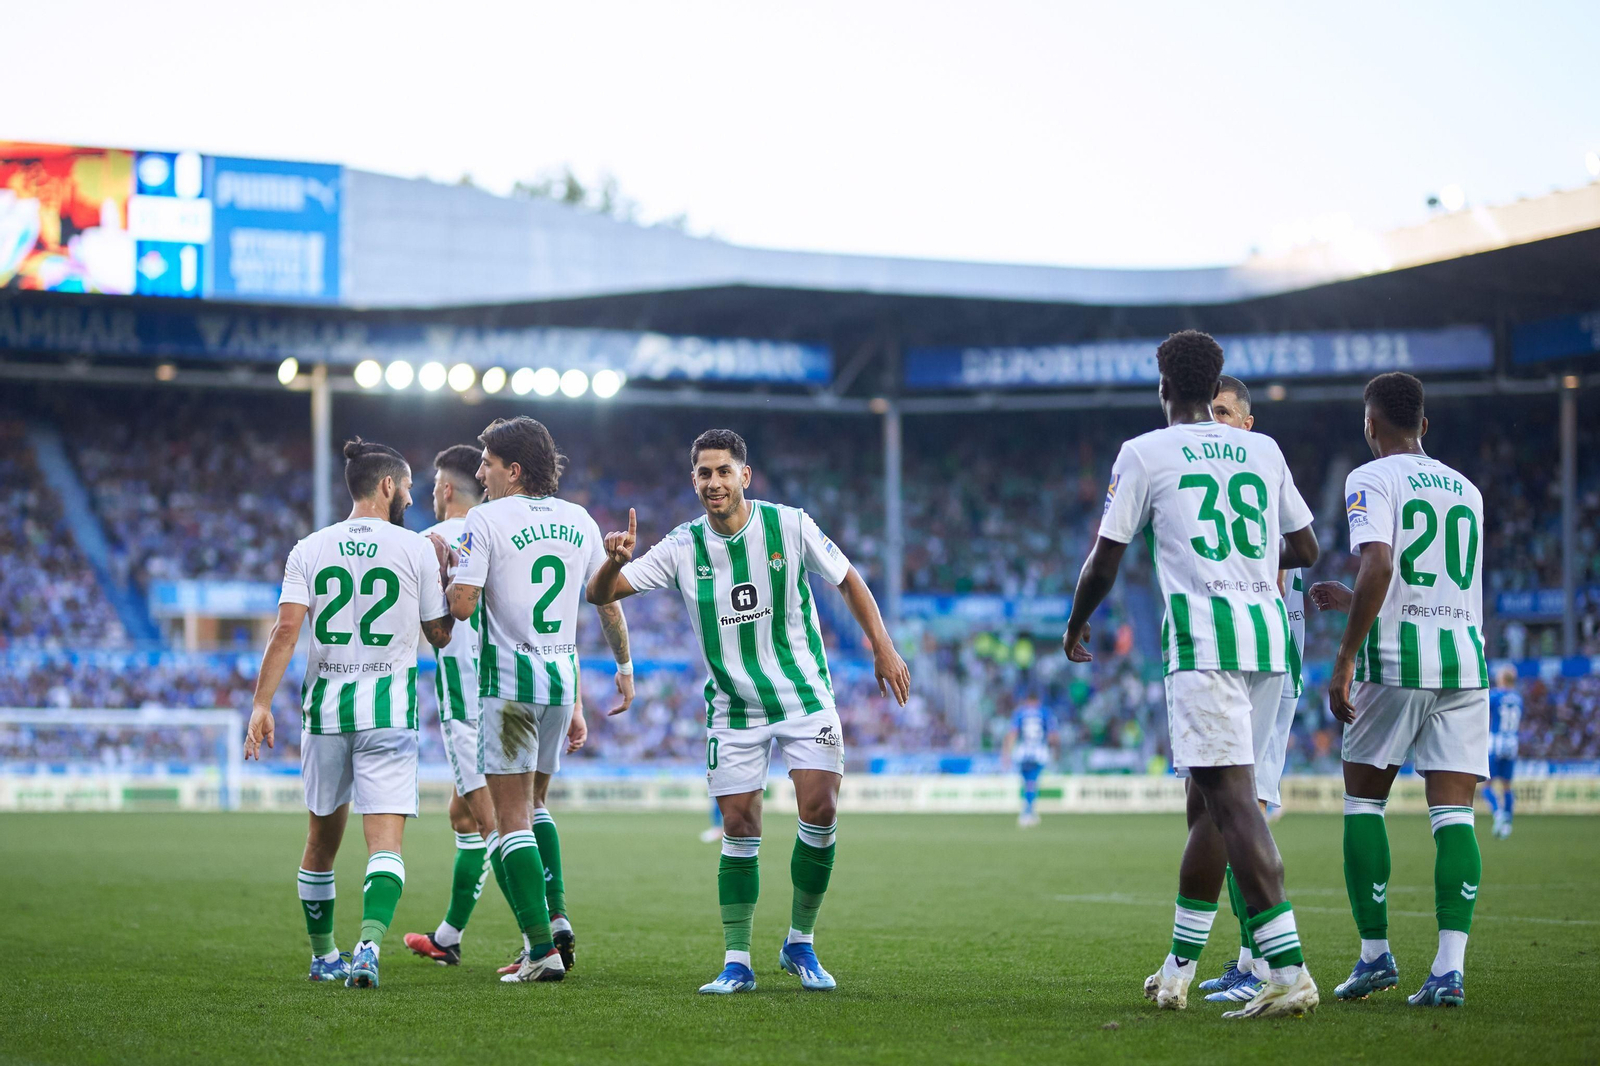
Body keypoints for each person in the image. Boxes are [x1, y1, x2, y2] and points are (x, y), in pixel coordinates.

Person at [587, 428, 910, 995]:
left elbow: (849, 579)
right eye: (704, 474)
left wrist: (882, 646)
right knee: (739, 825)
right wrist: (613, 565)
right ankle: (737, 960)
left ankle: (800, 943)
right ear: (694, 481)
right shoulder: (682, 545)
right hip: (733, 706)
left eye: (723, 471)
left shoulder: (790, 524)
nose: (714, 482)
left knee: (821, 807)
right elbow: (600, 596)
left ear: (745, 476)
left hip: (803, 694)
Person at [1062, 331, 1321, 1019]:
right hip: (1268, 642)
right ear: (1216, 388)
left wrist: (1076, 620)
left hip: (1206, 645)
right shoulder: (1261, 450)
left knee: (1234, 803)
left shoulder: (1146, 452)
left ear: (1163, 386)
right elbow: (1307, 545)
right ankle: (1178, 968)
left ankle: (1287, 969)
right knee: (1210, 803)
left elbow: (1105, 557)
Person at [245, 438, 456, 989]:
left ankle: (323, 956)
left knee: (320, 843)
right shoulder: (415, 549)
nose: (410, 496)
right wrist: (448, 585)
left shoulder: (309, 548)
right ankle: (369, 945)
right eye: (407, 486)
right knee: (384, 845)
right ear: (387, 485)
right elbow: (439, 635)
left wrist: (261, 704)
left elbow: (286, 630)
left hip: (326, 714)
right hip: (389, 713)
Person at [1309, 371, 1488, 1008]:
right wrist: (1352, 597)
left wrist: (1346, 654)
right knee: (1454, 818)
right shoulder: (1467, 490)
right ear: (1425, 425)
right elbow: (1431, 581)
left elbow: (1382, 563)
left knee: (1364, 804)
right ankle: (1448, 970)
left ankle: (1375, 955)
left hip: (1395, 662)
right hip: (1464, 663)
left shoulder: (1372, 477)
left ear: (1370, 424)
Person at [445, 417, 634, 983]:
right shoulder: (579, 520)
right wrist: (624, 665)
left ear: (514, 469)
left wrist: (445, 574)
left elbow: (461, 606)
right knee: (537, 807)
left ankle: (540, 948)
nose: (480, 472)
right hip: (559, 686)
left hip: (507, 686)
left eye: (488, 463)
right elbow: (604, 598)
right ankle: (555, 916)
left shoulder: (484, 519)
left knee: (509, 823)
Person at [1195, 374, 1310, 1004]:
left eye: (1225, 412)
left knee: (1246, 807)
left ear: (1248, 421)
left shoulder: (1260, 477)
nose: (1214, 420)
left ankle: (1269, 967)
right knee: (1239, 806)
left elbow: (1305, 547)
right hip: (1259, 658)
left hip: (1267, 665)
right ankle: (1250, 959)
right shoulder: (1252, 481)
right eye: (1208, 410)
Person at [402, 445, 495, 966]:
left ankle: (544, 937)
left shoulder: (428, 543)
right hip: (510, 688)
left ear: (444, 489)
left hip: (465, 701)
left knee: (494, 825)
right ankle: (448, 936)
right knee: (463, 816)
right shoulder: (497, 535)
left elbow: (435, 631)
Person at [1003, 694, 1058, 827]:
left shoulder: (1020, 712)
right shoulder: (1045, 712)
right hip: (1039, 752)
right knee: (1032, 781)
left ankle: (1027, 810)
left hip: (1023, 752)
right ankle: (1029, 811)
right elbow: (1052, 735)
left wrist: (1006, 753)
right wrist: (1055, 750)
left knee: (1027, 781)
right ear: (1037, 700)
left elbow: (1013, 733)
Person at [1485, 666, 1522, 839]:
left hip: (1497, 743)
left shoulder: (1496, 696)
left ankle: (1498, 814)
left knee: (1487, 786)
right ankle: (1507, 824)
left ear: (1503, 679)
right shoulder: (1518, 698)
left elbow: (1485, 712)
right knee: (1507, 786)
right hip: (1512, 743)